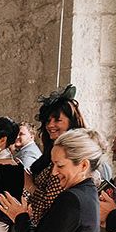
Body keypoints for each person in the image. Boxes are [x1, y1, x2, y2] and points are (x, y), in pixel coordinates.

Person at [27, 85, 86, 224]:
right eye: (48, 121)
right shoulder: (51, 152)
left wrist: (28, 184)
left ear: (71, 121)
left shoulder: (72, 157)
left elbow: (50, 204)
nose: (50, 125)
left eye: (57, 120)